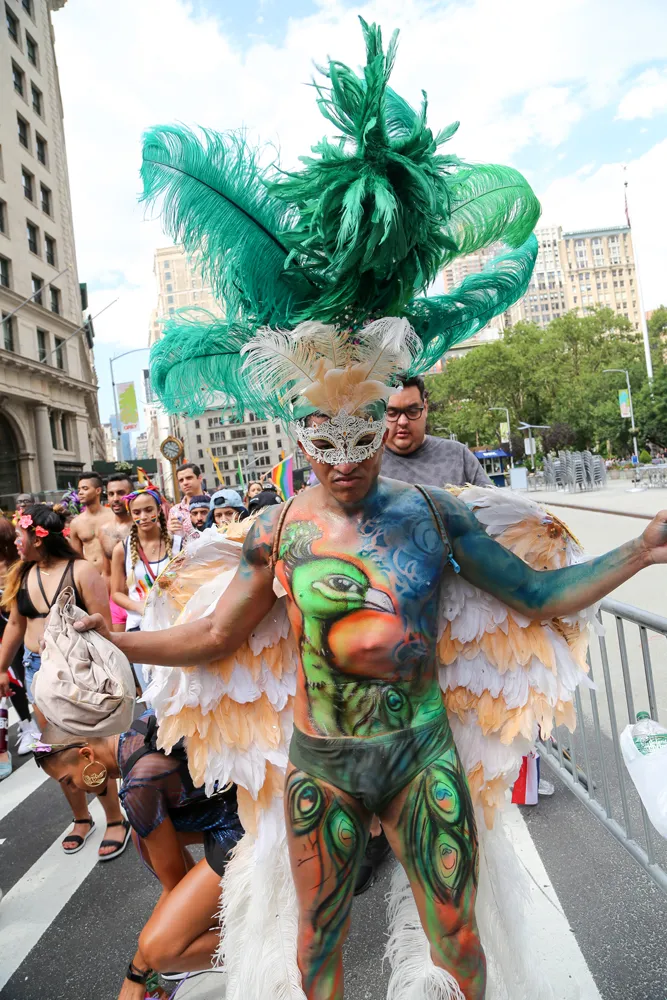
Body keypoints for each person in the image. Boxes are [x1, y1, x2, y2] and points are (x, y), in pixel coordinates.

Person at [121, 21, 648, 997]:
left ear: (382, 423)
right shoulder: (279, 528)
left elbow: (536, 594)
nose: (345, 462)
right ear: (299, 439)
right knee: (314, 951)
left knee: (459, 946)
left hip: (420, 755)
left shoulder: (432, 515)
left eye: (362, 438)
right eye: (324, 444)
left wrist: (643, 550)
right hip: (322, 765)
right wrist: (117, 642)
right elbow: (214, 635)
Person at [34, 710, 243, 1000]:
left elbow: (173, 887)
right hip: (245, 805)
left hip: (245, 832)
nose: (73, 789)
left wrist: (137, 969)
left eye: (68, 780)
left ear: (86, 755)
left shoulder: (138, 786)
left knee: (160, 951)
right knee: (141, 836)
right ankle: (204, 920)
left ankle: (266, 941)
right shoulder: (139, 726)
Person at [0, 504, 130, 858]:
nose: (16, 543)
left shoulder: (81, 570)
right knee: (51, 751)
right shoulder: (22, 574)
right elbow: (16, 625)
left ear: (38, 538)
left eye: (20, 536)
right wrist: (1, 668)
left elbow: (102, 626)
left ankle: (115, 819)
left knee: (88, 748)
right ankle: (81, 817)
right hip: (35, 672)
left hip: (77, 675)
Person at [110, 489, 180, 692]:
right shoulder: (121, 549)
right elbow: (116, 593)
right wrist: (139, 607)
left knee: (178, 691)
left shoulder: (178, 543)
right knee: (152, 694)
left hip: (174, 626)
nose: (143, 516)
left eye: (149, 510)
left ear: (158, 510)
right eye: (137, 512)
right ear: (131, 515)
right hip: (139, 628)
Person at [381, 376, 492, 488]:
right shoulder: (370, 463)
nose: (402, 421)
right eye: (392, 413)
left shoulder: (458, 456)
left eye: (412, 411)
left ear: (425, 408)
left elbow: (491, 498)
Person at [0, 517, 32, 773]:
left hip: (23, 622)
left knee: (24, 670)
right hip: (4, 626)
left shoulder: (19, 559)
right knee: (10, 676)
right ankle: (26, 724)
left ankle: (34, 723)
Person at [99, 474, 134, 633]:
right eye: (111, 494)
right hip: (115, 602)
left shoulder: (142, 527)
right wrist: (103, 605)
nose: (115, 498)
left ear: (131, 494)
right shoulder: (104, 530)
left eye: (121, 493)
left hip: (140, 598)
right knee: (117, 646)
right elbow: (106, 573)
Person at [68, 472, 115, 575]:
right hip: (90, 575)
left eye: (85, 488)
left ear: (98, 490)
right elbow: (77, 559)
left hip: (114, 573)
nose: (80, 493)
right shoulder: (76, 523)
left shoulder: (113, 516)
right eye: (79, 489)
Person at [167, 463, 206, 543]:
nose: (185, 483)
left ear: (200, 478)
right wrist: (170, 532)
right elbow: (171, 541)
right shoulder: (175, 511)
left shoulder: (214, 504)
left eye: (189, 478)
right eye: (181, 480)